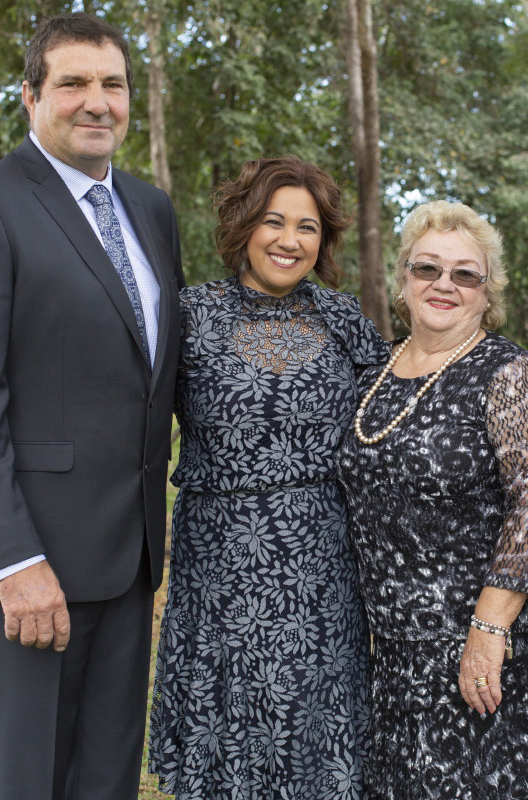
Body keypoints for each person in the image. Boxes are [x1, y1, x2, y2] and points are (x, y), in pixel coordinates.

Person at [0, 13, 184, 800]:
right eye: (73, 83)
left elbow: (149, 371)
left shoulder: (151, 211)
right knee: (28, 782)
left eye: (113, 85)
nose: (96, 102)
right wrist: (14, 558)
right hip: (29, 565)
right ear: (31, 96)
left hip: (126, 558)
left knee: (105, 783)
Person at [147, 155, 389, 799]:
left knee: (318, 742)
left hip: (322, 570)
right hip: (221, 565)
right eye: (273, 222)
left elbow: (395, 422)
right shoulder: (189, 317)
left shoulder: (343, 322)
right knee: (229, 734)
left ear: (324, 240)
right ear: (242, 227)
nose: (289, 240)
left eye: (307, 227)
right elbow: (129, 428)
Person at [339, 201, 528, 799]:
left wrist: (487, 630)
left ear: (486, 292)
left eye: (465, 274)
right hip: (395, 656)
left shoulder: (508, 374)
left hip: (486, 650)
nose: (443, 284)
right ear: (402, 279)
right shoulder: (375, 367)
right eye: (427, 268)